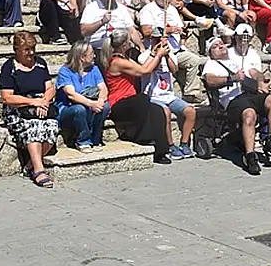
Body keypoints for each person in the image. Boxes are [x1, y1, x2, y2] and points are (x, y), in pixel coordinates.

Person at [202, 28, 271, 175]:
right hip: (231, 100)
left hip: (248, 94)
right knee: (249, 114)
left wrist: (260, 81)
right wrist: (231, 79)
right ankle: (250, 156)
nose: (220, 47)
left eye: (221, 44)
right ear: (210, 53)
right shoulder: (211, 64)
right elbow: (210, 80)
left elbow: (253, 72)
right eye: (215, 47)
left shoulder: (233, 61)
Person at [0, 31, 61, 188]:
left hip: (40, 105)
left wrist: (43, 102)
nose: (31, 52)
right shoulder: (9, 67)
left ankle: (30, 165)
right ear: (17, 50)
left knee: (51, 126)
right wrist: (33, 102)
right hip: (19, 109)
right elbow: (7, 97)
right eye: (27, 49)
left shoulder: (40, 63)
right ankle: (39, 170)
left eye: (33, 48)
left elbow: (50, 88)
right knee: (34, 127)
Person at [104, 29, 172, 165]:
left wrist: (153, 53)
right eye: (128, 40)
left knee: (158, 111)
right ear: (124, 44)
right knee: (143, 98)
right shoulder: (117, 62)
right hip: (118, 104)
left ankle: (161, 151)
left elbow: (143, 66)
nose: (131, 42)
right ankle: (142, 137)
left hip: (132, 102)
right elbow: (144, 71)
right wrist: (159, 55)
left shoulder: (126, 59)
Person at [138, 0, 205, 103]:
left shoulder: (172, 9)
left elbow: (180, 28)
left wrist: (182, 34)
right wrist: (169, 30)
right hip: (156, 50)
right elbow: (147, 31)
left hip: (175, 50)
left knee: (194, 60)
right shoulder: (148, 10)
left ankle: (190, 93)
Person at [137, 30, 196, 159]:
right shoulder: (144, 56)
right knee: (166, 112)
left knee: (190, 111)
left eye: (162, 39)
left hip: (168, 95)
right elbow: (146, 70)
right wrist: (157, 54)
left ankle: (184, 143)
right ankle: (170, 145)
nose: (159, 41)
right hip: (152, 96)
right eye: (156, 39)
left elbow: (174, 70)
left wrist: (167, 55)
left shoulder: (171, 55)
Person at [56, 41, 108, 152]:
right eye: (91, 54)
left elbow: (103, 88)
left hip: (91, 105)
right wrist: (91, 104)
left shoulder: (94, 69)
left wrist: (100, 100)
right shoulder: (65, 71)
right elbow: (71, 94)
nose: (94, 56)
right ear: (82, 58)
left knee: (105, 106)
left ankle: (95, 139)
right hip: (69, 108)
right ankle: (83, 141)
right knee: (80, 109)